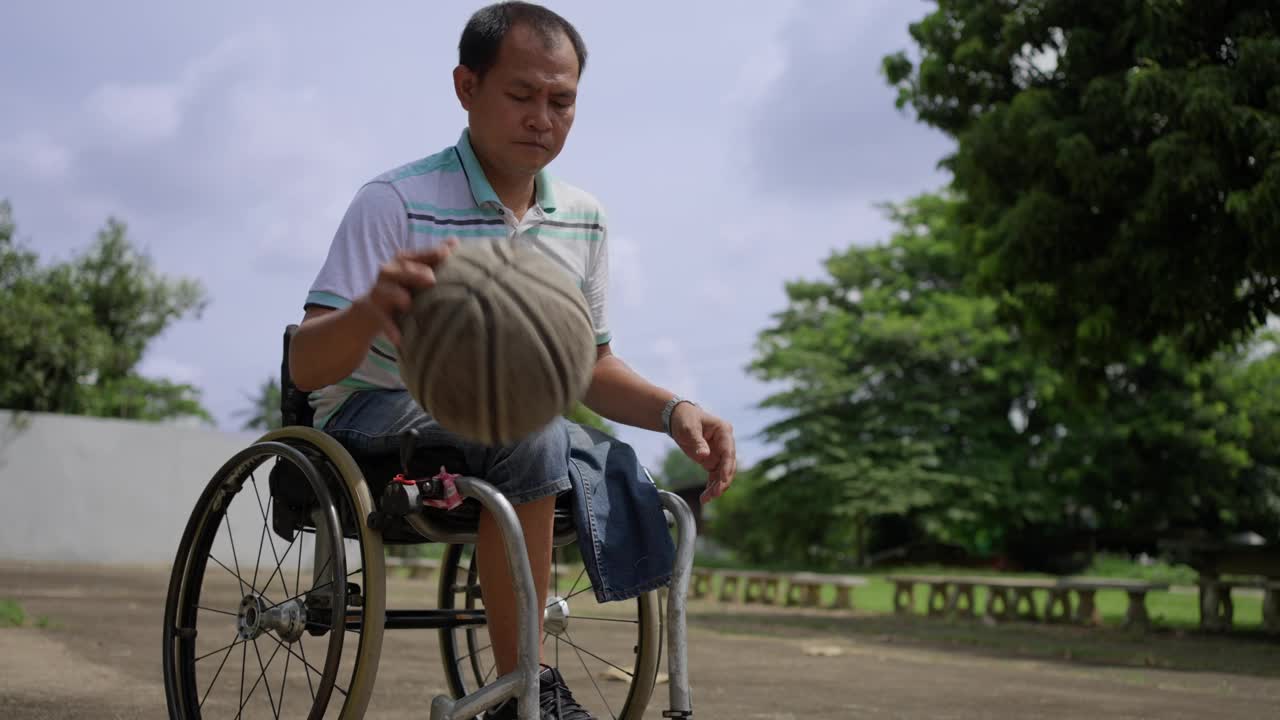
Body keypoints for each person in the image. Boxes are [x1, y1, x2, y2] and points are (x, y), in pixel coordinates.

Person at [289, 2, 737, 718]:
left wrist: (671, 409)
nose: (543, 118)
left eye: (562, 101)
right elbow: (307, 366)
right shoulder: (395, 201)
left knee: (575, 444)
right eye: (522, 95)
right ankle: (522, 692)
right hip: (373, 414)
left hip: (510, 423)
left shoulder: (583, 218)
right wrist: (372, 307)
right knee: (532, 432)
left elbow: (588, 367)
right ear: (467, 88)